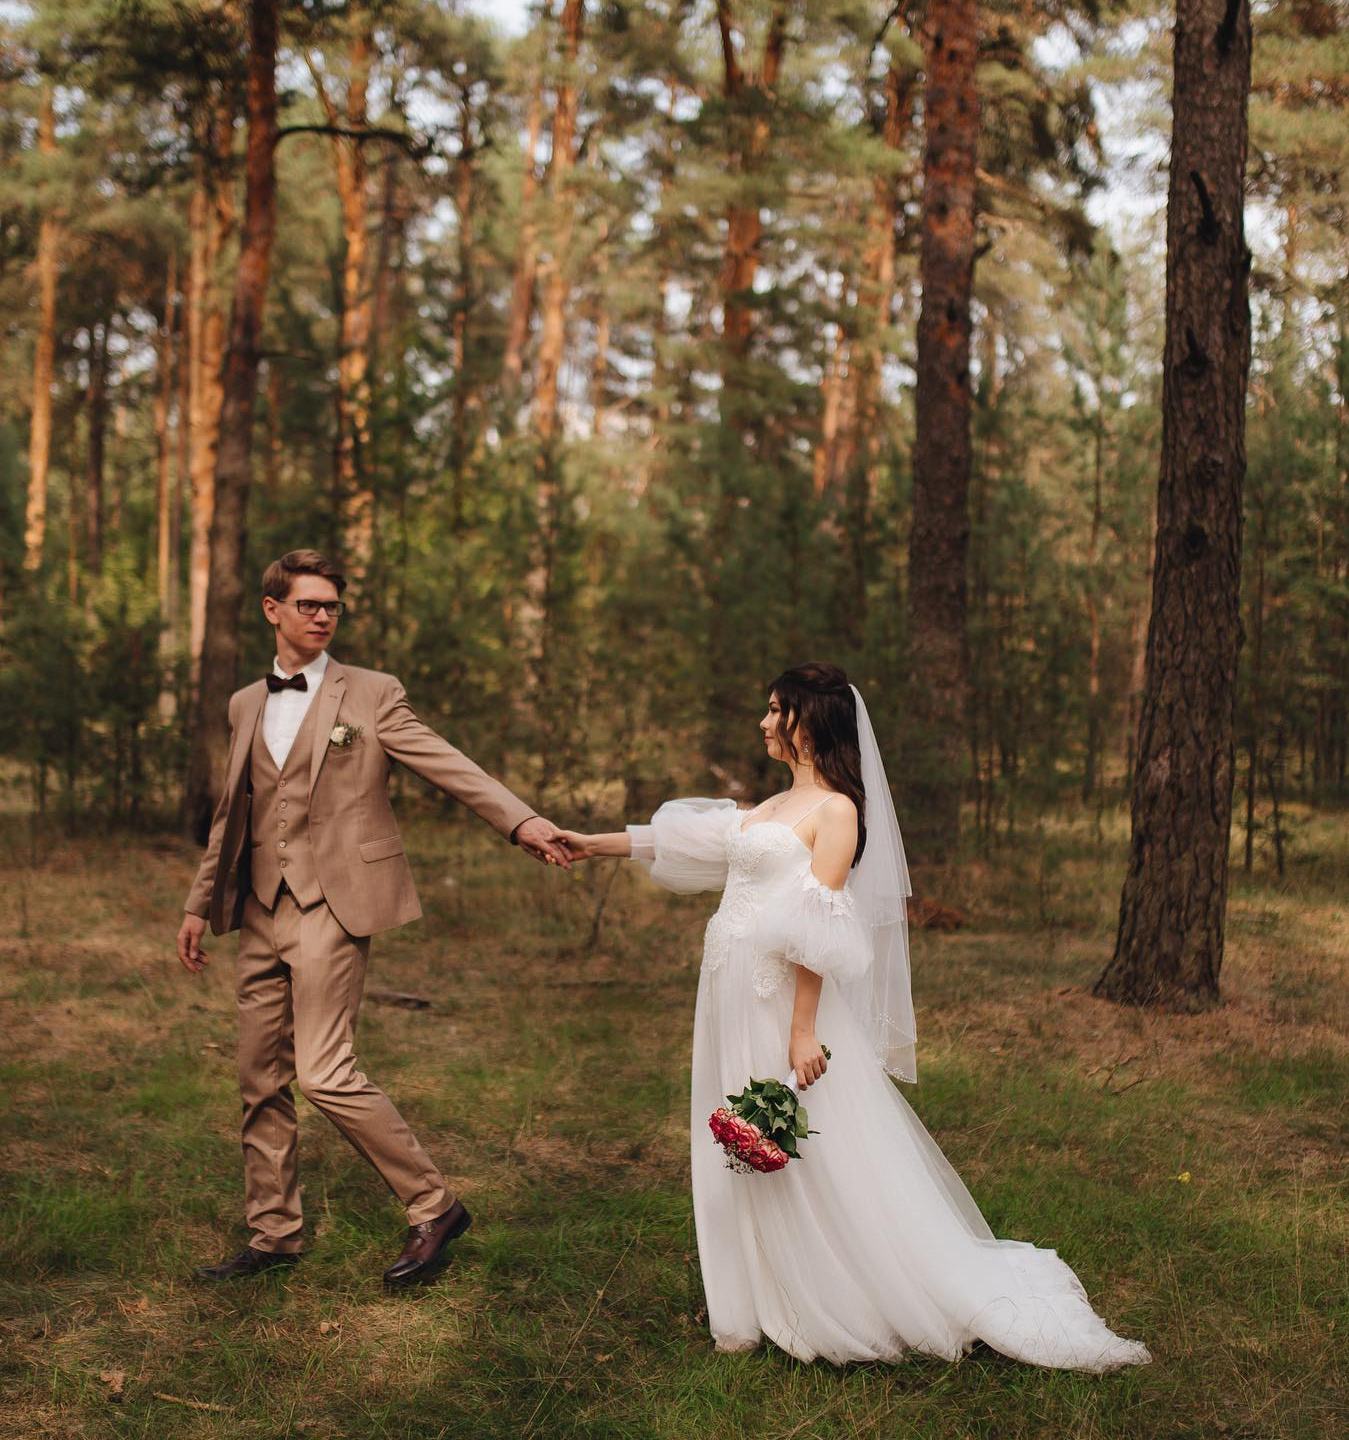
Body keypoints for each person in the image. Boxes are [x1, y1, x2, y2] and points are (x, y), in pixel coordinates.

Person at [553, 662, 1151, 1370]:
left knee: (801, 1141)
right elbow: (690, 840)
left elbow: (819, 924)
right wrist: (590, 844)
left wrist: (803, 1029)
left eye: (776, 709)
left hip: (779, 997)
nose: (764, 722)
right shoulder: (774, 804)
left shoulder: (837, 811)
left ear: (809, 721)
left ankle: (832, 1289)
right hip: (727, 991)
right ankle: (750, 1295)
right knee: (735, 1130)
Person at [176, 549, 570, 1289]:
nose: (323, 616)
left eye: (332, 606)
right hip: (259, 906)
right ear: (272, 610)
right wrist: (200, 904)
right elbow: (232, 813)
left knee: (324, 1073)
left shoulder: (373, 693)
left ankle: (434, 1206)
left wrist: (521, 822)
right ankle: (274, 1235)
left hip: (333, 902)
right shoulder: (244, 703)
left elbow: (446, 762)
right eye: (308, 605)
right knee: (259, 1078)